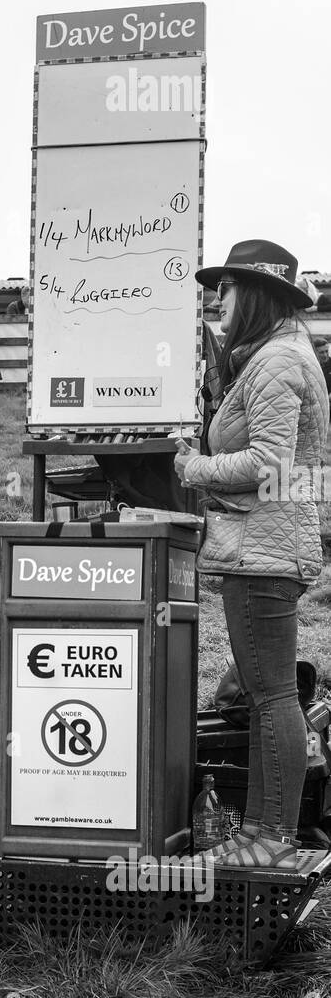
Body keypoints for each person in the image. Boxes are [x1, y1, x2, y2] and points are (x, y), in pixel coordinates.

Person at [174, 240, 330, 870]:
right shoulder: (277, 355)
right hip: (263, 545)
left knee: (270, 698)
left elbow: (269, 463)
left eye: (229, 290)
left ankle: (268, 839)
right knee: (270, 696)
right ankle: (268, 835)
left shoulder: (275, 363)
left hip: (263, 550)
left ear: (258, 295)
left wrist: (196, 467)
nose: (220, 299)